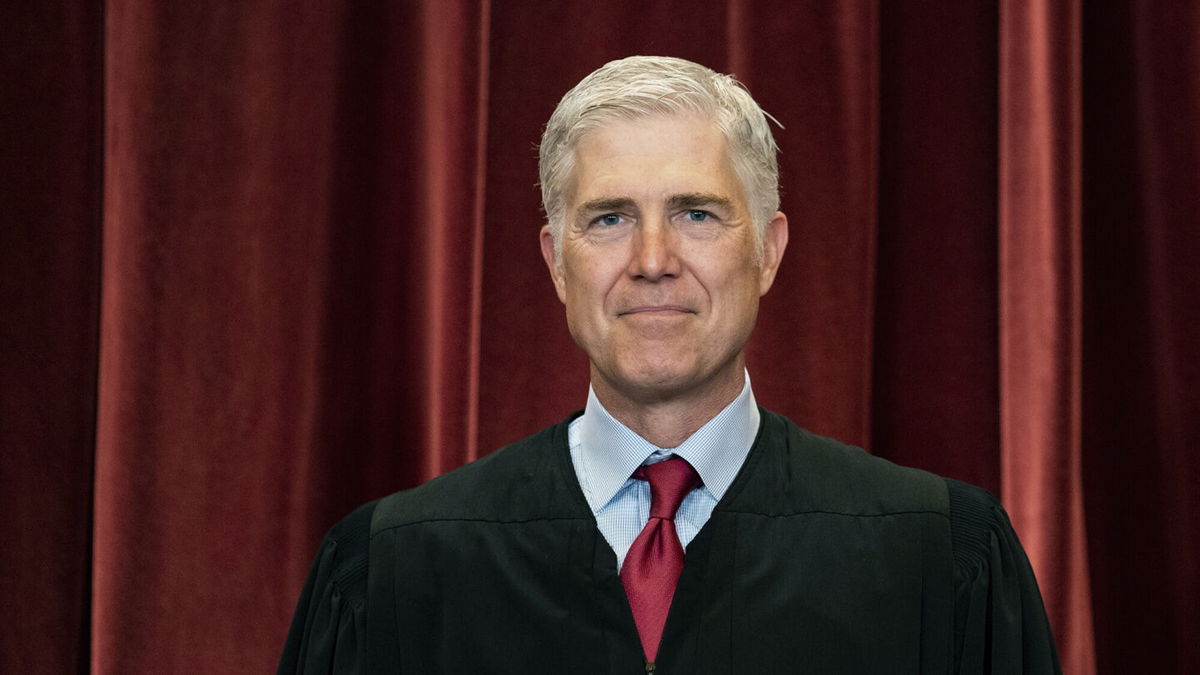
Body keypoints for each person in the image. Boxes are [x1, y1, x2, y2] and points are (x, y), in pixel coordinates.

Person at [279, 56, 1061, 674]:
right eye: (610, 217)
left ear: (768, 251)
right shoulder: (391, 572)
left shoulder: (941, 561)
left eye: (696, 213)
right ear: (557, 264)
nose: (653, 260)